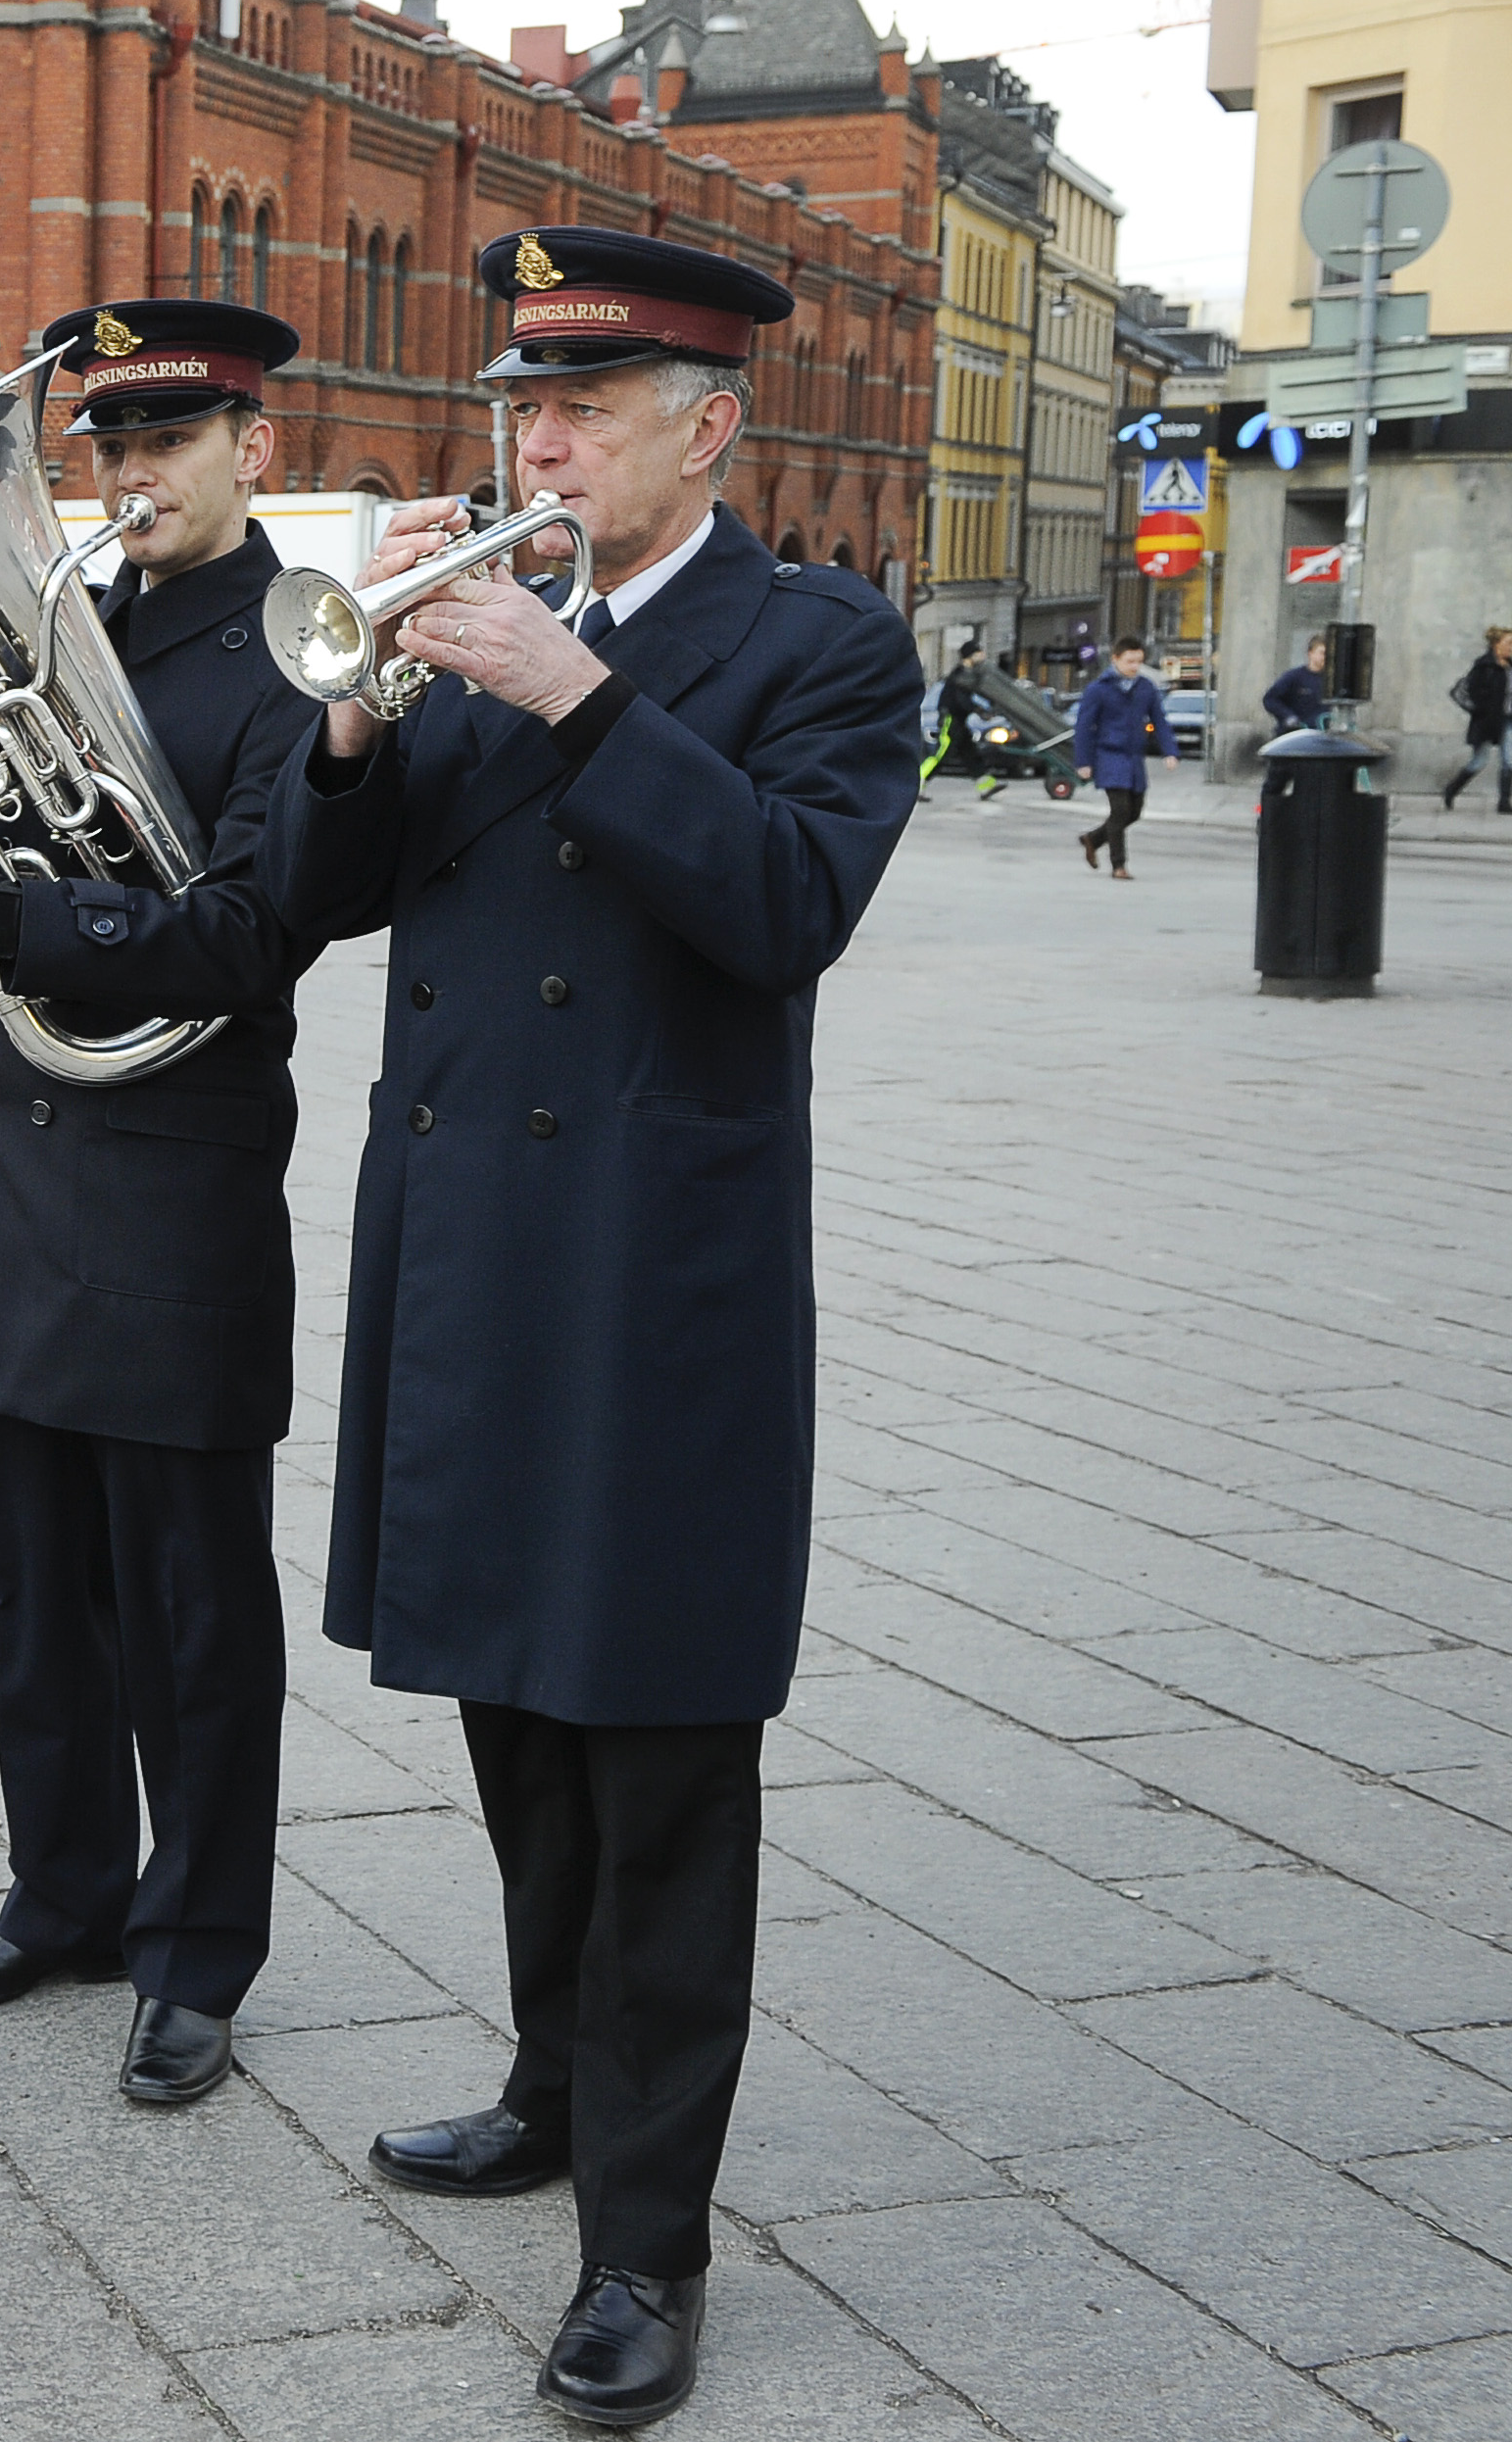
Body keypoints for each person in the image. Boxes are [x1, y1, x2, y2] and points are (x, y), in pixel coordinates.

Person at [270, 229, 920, 2425]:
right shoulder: (461, 627)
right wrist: (358, 708)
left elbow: (781, 906)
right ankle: (554, 2078)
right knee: (508, 1710)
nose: (533, 440)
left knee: (650, 1750)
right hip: (466, 1243)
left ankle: (646, 2237)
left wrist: (580, 695)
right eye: (520, 403)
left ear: (705, 425)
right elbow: (314, 897)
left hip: (656, 1271)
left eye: (584, 405)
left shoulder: (814, 640)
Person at [0, 298, 319, 2110]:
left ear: (253, 451)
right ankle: (61, 1890)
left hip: (172, 1181)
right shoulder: (57, 627)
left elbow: (247, 932)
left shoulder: (297, 655)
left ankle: (195, 1949)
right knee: (35, 1590)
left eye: (171, 438)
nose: (130, 472)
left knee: (192, 1610)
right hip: (10, 1165)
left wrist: (29, 919)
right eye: (110, 444)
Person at [1074, 636, 1173, 878]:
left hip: (1134, 759)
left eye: (1138, 662)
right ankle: (1119, 865)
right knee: (1120, 811)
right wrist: (1083, 761)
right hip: (1109, 756)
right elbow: (1084, 727)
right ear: (1115, 659)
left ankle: (1093, 839)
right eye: (1130, 661)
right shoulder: (1099, 689)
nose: (1134, 667)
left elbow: (1159, 721)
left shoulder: (1145, 688)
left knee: (1135, 811)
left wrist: (1170, 751)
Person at [1444, 627, 1509, 809]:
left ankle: (1504, 802)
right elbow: (1466, 690)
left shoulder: (1510, 666)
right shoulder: (1484, 666)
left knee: (1509, 759)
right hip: (1487, 720)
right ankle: (1452, 789)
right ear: (1496, 645)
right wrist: (1481, 709)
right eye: (1509, 643)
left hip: (1508, 719)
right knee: (1479, 761)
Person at [919, 638, 986, 792]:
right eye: (978, 652)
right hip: (951, 720)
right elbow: (960, 700)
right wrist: (976, 709)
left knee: (970, 753)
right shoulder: (960, 675)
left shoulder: (968, 674)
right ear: (970, 655)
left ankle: (986, 784)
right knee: (942, 753)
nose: (982, 655)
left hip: (960, 720)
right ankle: (919, 781)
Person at [1265, 635, 1330, 736]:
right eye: (1322, 653)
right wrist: (1288, 716)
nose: (1326, 657)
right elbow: (1270, 699)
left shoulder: (1331, 681)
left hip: (1321, 738)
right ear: (1310, 653)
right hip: (1294, 736)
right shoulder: (1294, 676)